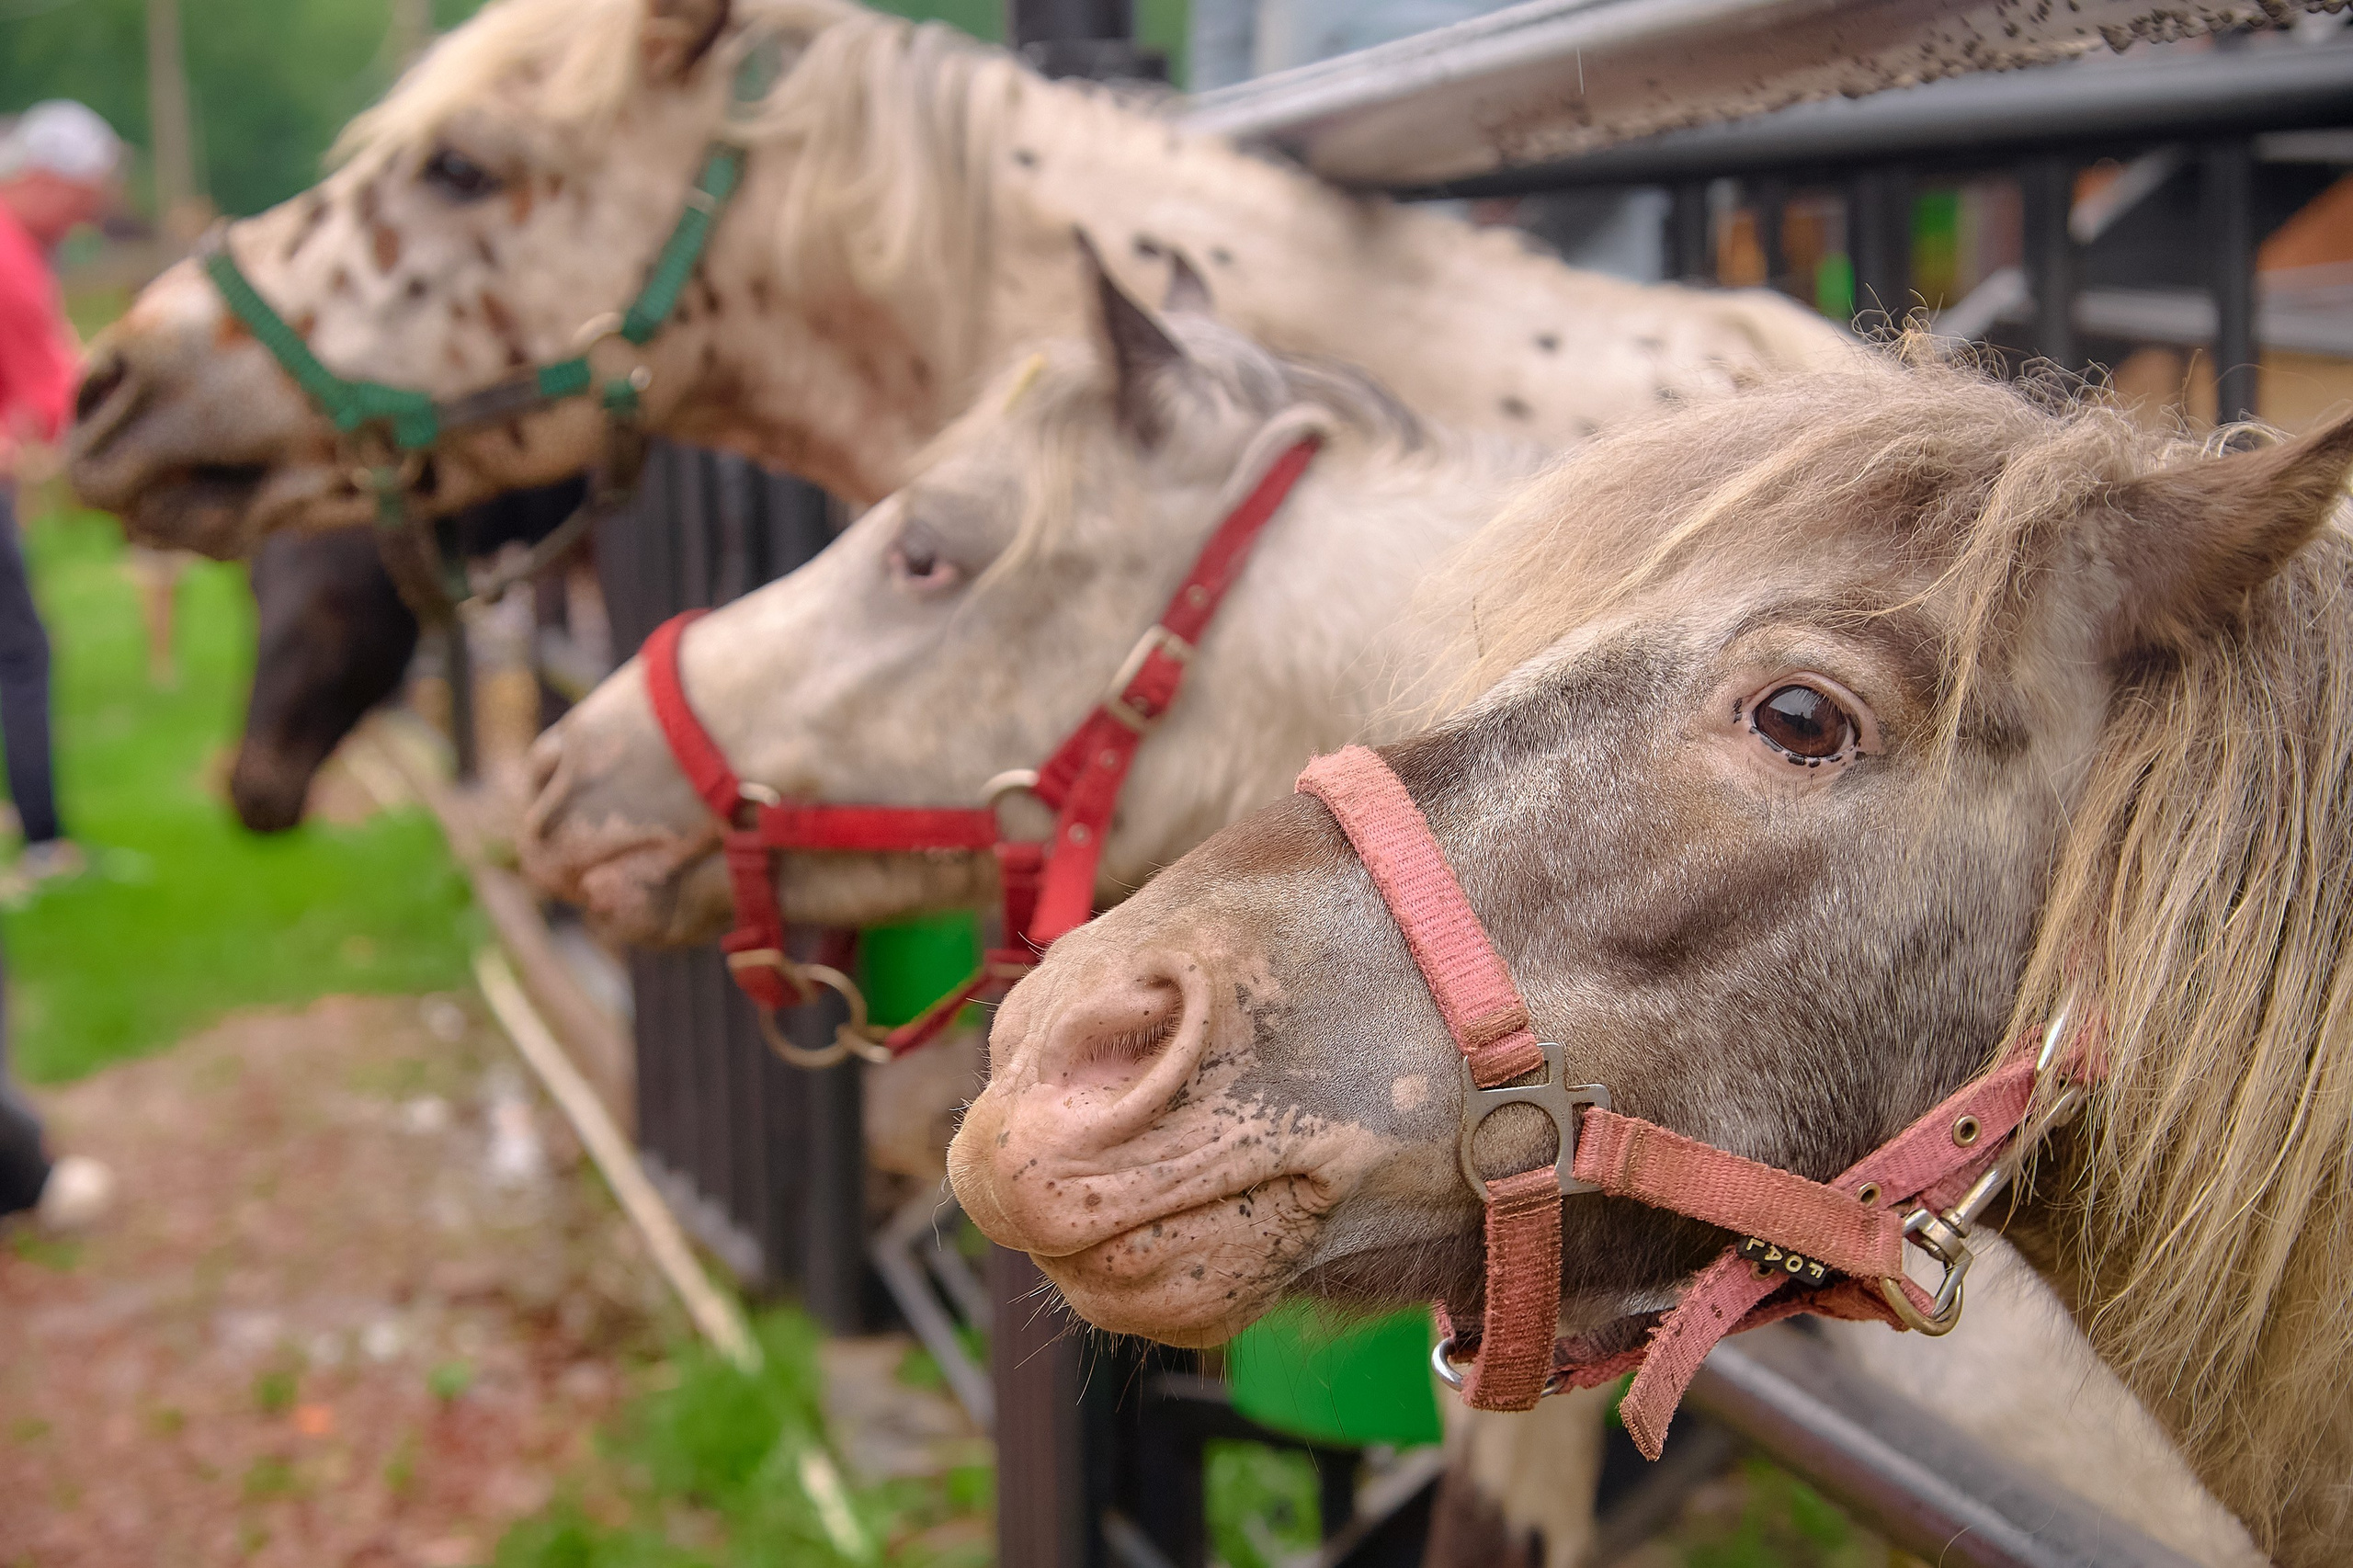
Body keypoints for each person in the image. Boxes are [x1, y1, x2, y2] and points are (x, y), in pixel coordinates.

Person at [0, 99, 119, 1231]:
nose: (94, 211)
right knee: (20, 659)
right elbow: (54, 393)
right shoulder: (10, 258)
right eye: (84, 189)